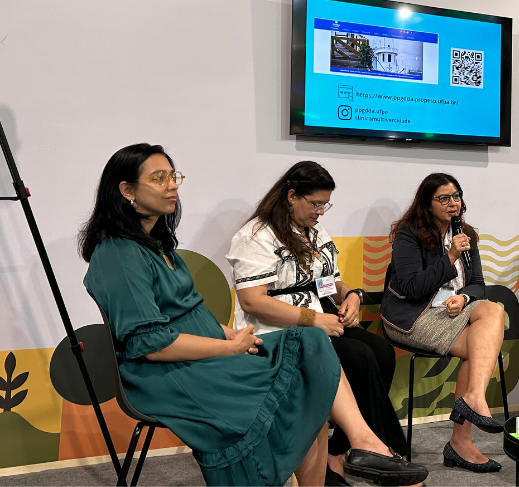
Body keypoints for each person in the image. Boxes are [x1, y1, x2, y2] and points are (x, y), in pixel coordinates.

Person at [79, 144, 427, 486]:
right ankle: (363, 446)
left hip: (208, 351)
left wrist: (226, 333)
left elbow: (184, 312)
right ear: (126, 190)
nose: (173, 185)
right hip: (167, 374)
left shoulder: (157, 245)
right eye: (159, 178)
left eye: (173, 176)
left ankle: (364, 444)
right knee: (312, 362)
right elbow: (151, 343)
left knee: (314, 347)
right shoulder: (119, 255)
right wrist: (227, 347)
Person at [226, 161, 411, 486]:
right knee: (358, 357)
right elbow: (252, 301)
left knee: (380, 351)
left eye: (326, 204)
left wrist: (350, 295)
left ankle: (338, 455)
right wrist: (314, 319)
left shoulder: (313, 231)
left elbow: (326, 282)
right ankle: (383, 450)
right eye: (316, 204)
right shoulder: (255, 235)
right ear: (291, 196)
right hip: (278, 332)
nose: (321, 211)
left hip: (320, 318)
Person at [380, 173, 506, 474]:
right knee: (482, 343)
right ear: (427, 203)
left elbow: (478, 285)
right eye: (444, 198)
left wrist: (463, 298)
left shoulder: (466, 234)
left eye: (457, 196)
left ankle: (471, 403)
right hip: (412, 316)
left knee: (491, 309)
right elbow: (411, 288)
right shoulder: (409, 234)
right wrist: (450, 255)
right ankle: (462, 436)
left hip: (452, 312)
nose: (453, 203)